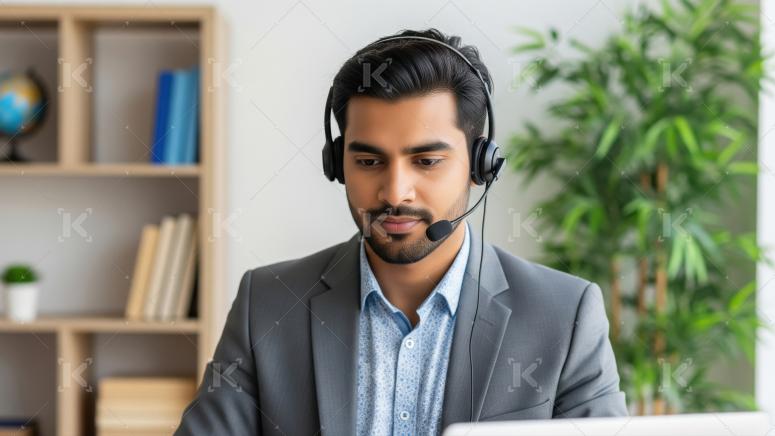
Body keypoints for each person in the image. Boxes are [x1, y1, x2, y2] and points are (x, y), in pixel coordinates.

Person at [175, 28, 627, 436]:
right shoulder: (267, 304)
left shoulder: (565, 316)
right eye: (369, 162)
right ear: (337, 165)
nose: (394, 192)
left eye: (427, 162)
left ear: (480, 165)